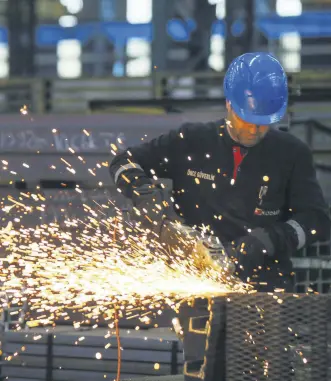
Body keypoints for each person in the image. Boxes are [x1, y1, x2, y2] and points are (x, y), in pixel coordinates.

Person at [109, 52, 330, 292]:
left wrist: (266, 241)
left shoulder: (291, 153)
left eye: (263, 122)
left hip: (267, 288)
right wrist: (148, 200)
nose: (255, 129)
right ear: (229, 104)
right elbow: (124, 161)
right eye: (247, 119)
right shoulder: (192, 141)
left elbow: (316, 221)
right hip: (196, 284)